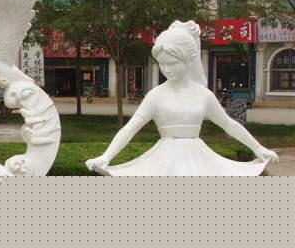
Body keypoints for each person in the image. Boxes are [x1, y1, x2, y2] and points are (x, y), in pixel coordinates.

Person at [85, 20, 278, 176]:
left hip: (198, 158)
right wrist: (106, 157)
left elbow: (229, 124)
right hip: (164, 159)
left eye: (173, 63)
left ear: (189, 60)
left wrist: (259, 148)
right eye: (163, 64)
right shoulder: (156, 96)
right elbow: (131, 128)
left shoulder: (203, 95)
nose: (167, 69)